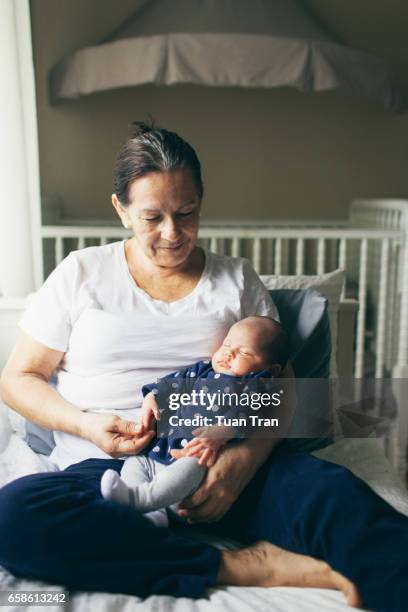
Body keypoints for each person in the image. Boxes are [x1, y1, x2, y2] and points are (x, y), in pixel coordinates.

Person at [0, 121, 406, 611]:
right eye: (153, 217)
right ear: (121, 210)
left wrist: (241, 464)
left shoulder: (236, 280)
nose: (173, 233)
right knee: (16, 517)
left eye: (186, 212)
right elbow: (19, 379)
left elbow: (283, 389)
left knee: (340, 501)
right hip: (110, 470)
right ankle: (238, 566)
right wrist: (87, 425)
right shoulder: (80, 273)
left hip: (224, 457)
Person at [100, 316, 288, 524]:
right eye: (227, 344)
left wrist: (222, 431)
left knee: (191, 466)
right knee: (135, 463)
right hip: (159, 450)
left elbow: (248, 413)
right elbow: (172, 383)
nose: (228, 353)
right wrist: (152, 397)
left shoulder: (254, 385)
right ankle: (153, 514)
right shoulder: (202, 370)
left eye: (243, 352)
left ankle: (141, 499)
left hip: (198, 455)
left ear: (271, 370)